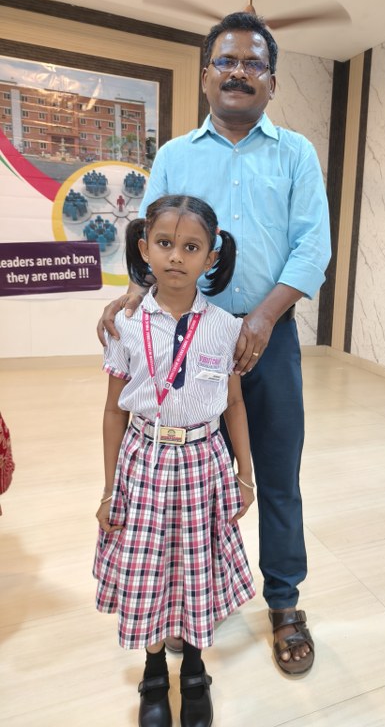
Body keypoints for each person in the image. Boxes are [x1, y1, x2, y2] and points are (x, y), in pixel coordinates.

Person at [98, 11, 331, 675]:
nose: (238, 72)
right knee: (189, 479)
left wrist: (261, 319)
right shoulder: (176, 155)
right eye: (226, 61)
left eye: (254, 63)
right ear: (206, 76)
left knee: (276, 474)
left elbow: (313, 248)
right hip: (187, 338)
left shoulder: (296, 154)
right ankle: (192, 602)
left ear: (272, 82)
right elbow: (156, 239)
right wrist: (133, 296)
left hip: (267, 338)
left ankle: (284, 602)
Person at [94, 194, 256, 727]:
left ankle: (194, 668)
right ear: (144, 248)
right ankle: (153, 670)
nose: (176, 257)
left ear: (211, 257)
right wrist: (109, 489)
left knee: (196, 567)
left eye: (191, 247)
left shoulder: (226, 327)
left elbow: (234, 404)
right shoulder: (126, 324)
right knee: (149, 569)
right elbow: (113, 411)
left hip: (203, 464)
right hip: (144, 462)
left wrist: (245, 476)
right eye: (164, 243)